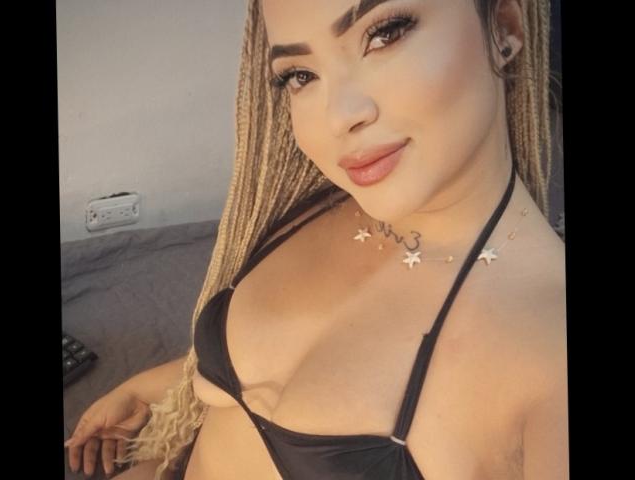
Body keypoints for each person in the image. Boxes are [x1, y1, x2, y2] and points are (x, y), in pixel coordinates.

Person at [64, 0, 567, 478]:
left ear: (503, 28)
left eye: (385, 34)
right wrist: (149, 387)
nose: (338, 117)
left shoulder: (549, 353)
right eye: (300, 75)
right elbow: (271, 372)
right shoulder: (314, 205)